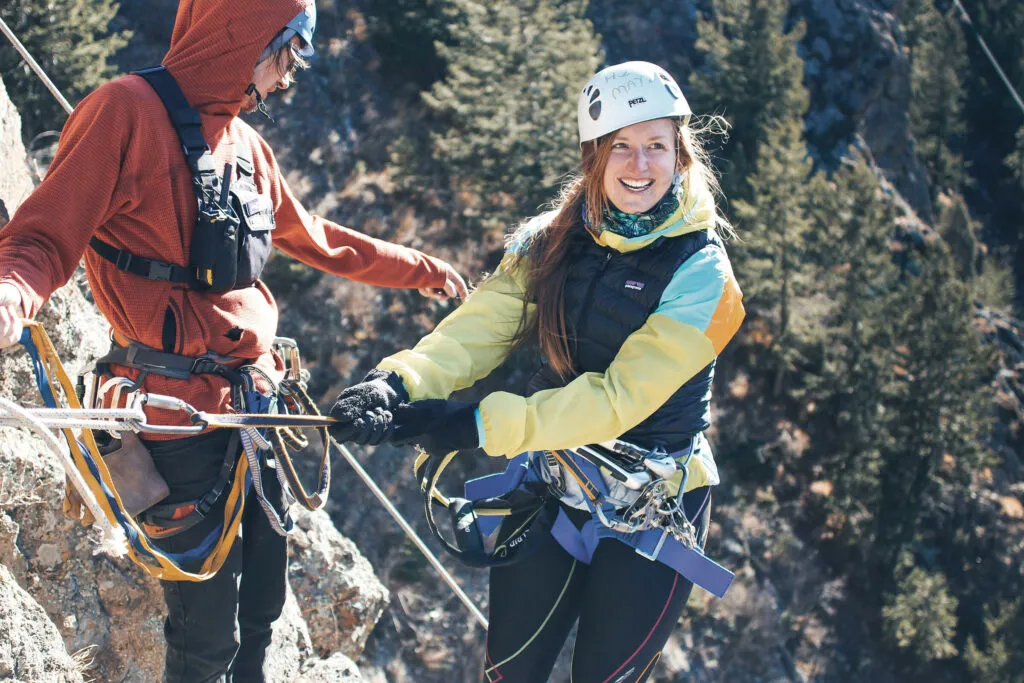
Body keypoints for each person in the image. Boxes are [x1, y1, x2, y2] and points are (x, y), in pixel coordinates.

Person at [0, 1, 466, 681]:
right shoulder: (123, 114)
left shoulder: (244, 146)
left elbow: (318, 238)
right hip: (174, 419)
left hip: (256, 407)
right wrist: (12, 295)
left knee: (263, 612)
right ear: (244, 39)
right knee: (205, 633)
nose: (288, 78)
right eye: (289, 54)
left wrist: (420, 269)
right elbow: (44, 236)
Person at [329, 61, 745, 682]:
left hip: (656, 509)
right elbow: (477, 331)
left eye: (657, 145)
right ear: (593, 158)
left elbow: (616, 402)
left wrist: (473, 424)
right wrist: (399, 383)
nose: (639, 165)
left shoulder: (705, 277)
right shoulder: (549, 241)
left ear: (680, 154)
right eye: (621, 148)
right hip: (556, 486)